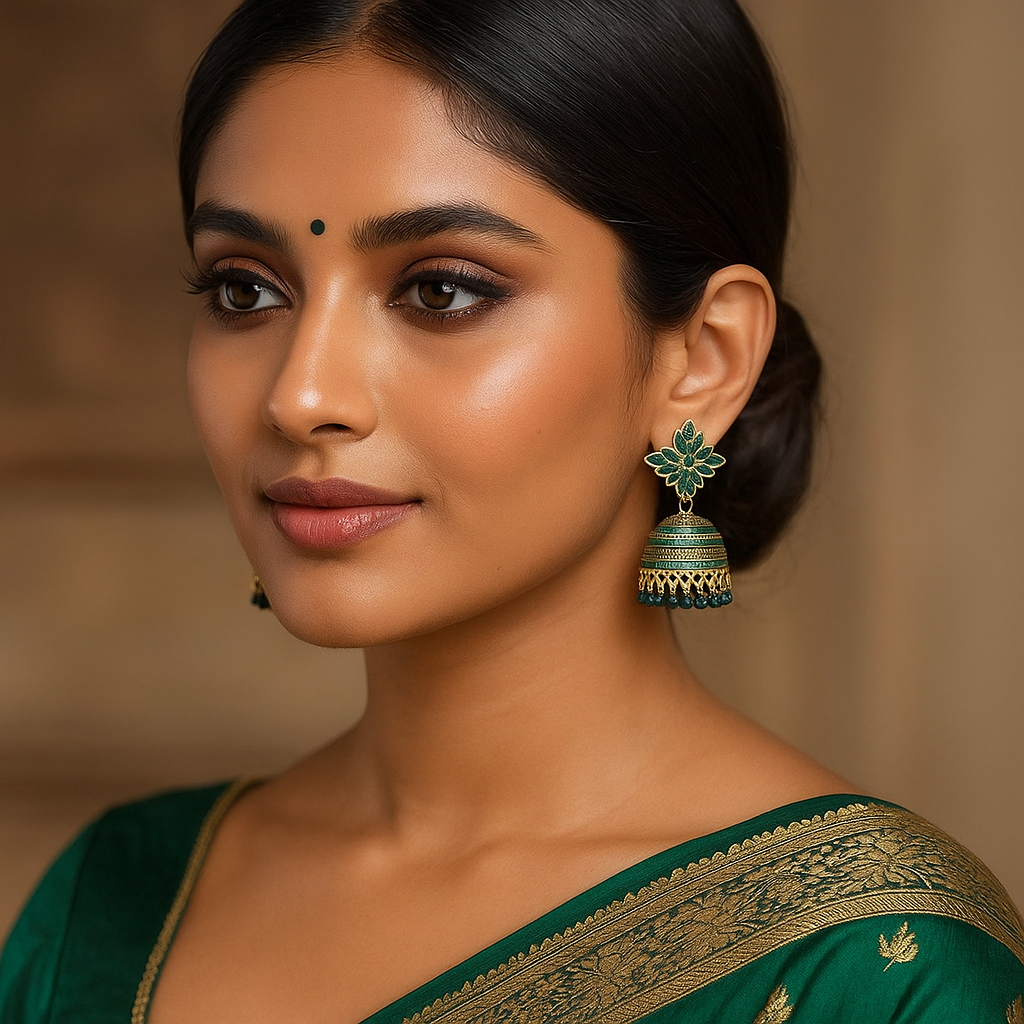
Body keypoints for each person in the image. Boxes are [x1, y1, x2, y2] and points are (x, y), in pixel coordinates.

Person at [2, 1, 1022, 1021]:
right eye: (245, 290)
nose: (299, 395)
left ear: (702, 360)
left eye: (440, 291)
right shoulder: (114, 907)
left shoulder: (879, 968)